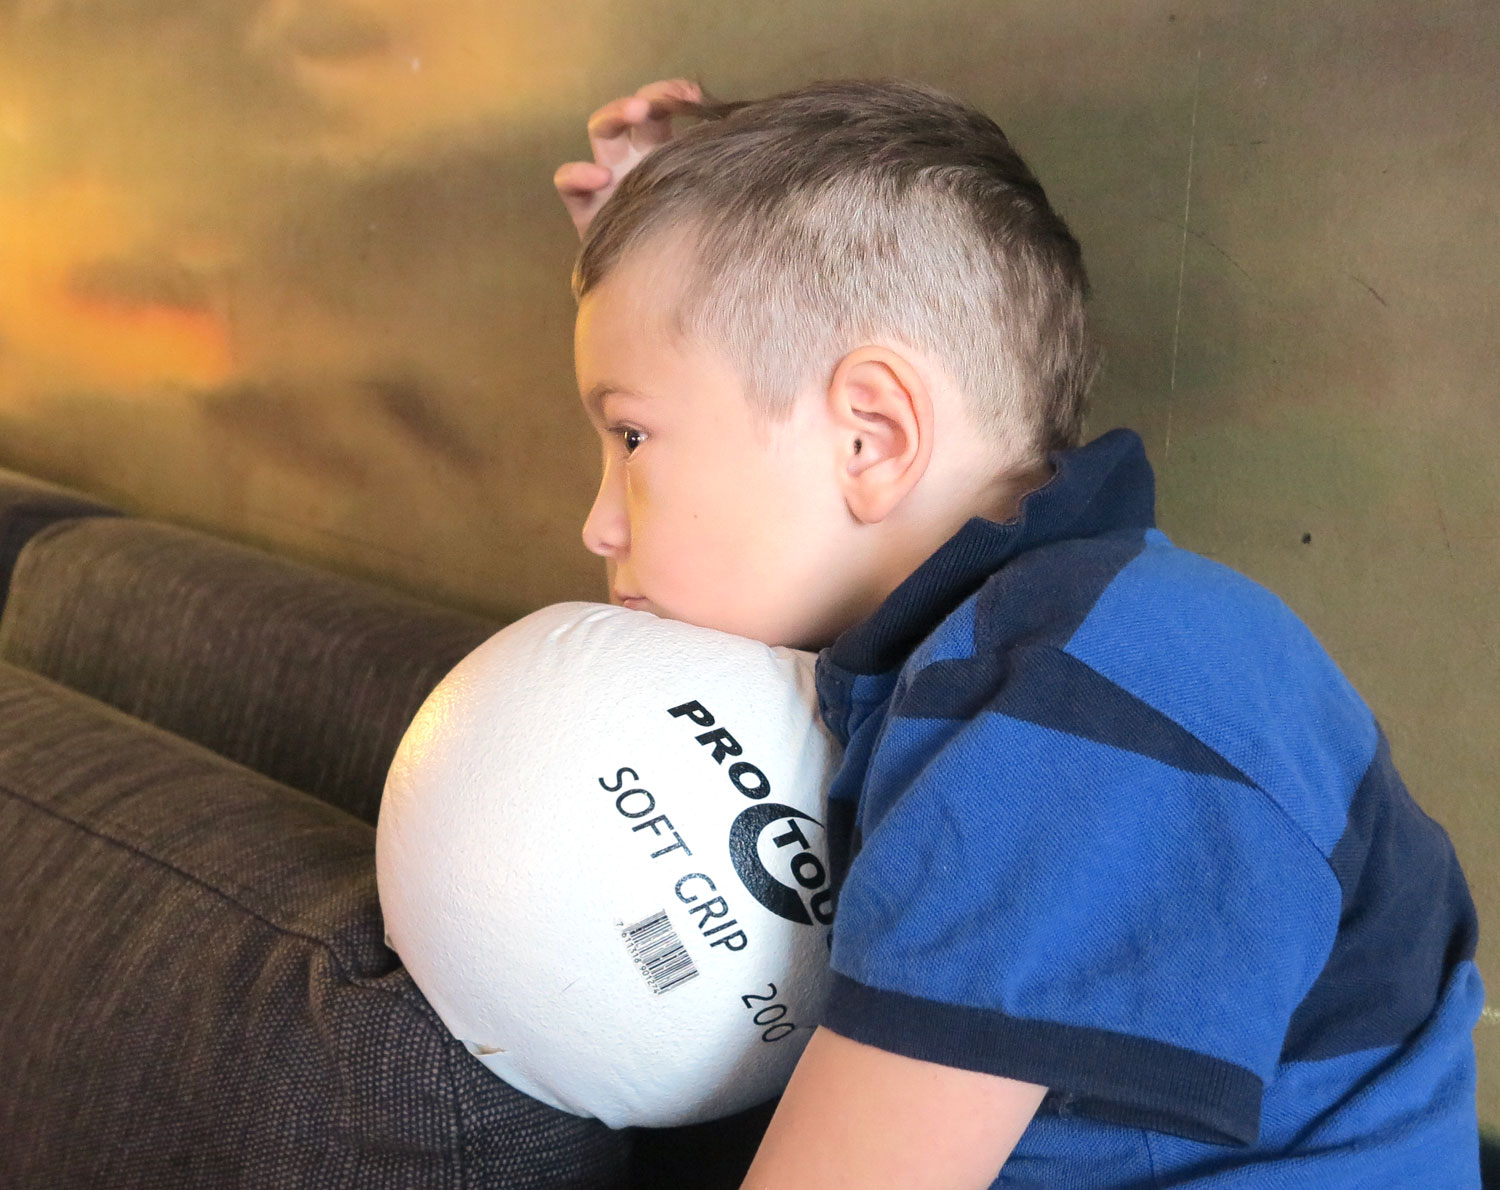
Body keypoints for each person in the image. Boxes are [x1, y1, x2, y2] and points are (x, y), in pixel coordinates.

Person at [553, 77, 1483, 1188]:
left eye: (632, 438)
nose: (598, 522)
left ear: (870, 436)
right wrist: (657, 251)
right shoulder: (1006, 645)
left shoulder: (1078, 697)